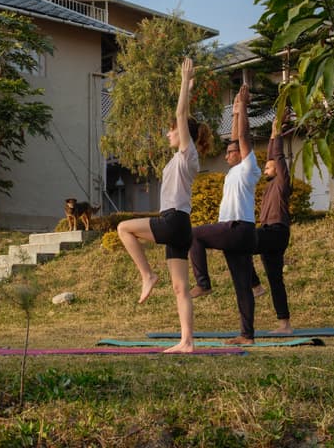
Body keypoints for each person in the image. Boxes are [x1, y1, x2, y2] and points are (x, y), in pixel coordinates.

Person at [116, 57, 212, 353]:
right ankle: (187, 341)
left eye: (171, 131)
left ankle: (147, 275)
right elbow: (187, 119)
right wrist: (190, 89)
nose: (169, 133)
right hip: (182, 226)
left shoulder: (187, 153)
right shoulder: (183, 158)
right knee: (181, 288)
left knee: (123, 228)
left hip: (172, 221)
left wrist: (184, 82)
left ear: (183, 135)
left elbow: (181, 115)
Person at [188, 84, 261, 345]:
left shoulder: (249, 167)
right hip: (240, 233)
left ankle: (203, 283)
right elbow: (235, 138)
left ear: (241, 155)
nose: (227, 154)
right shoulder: (234, 172)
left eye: (231, 152)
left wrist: (243, 110)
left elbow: (242, 139)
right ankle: (247, 335)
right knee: (242, 287)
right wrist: (234, 114)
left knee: (193, 235)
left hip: (237, 228)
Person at [249, 113, 293, 334]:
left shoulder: (282, 181)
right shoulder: (270, 186)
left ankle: (255, 286)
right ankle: (285, 325)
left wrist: (278, 133)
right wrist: (274, 130)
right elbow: (270, 155)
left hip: (276, 231)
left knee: (240, 241)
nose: (264, 170)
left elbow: (276, 155)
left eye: (268, 167)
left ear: (277, 168)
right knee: (276, 280)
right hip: (271, 234)